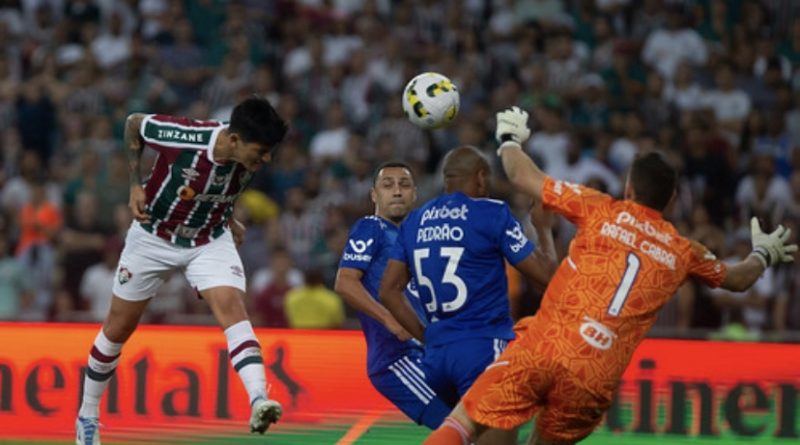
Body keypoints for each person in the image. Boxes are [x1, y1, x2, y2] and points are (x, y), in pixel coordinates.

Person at [423, 107, 798, 445]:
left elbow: (521, 174)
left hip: (547, 346)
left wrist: (509, 138)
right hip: (593, 377)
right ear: (669, 203)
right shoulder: (683, 251)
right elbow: (738, 279)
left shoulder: (600, 208)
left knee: (461, 425)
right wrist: (763, 253)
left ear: (629, 188)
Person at [75, 96, 288, 445]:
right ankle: (87, 416)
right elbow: (133, 123)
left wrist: (227, 213)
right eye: (261, 150)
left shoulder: (247, 157)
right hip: (153, 236)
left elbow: (215, 187)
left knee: (232, 307)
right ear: (234, 140)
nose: (265, 159)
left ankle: (259, 399)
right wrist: (134, 183)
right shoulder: (184, 136)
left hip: (208, 240)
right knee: (117, 329)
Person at [380, 146, 557, 445]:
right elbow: (547, 277)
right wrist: (544, 229)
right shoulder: (491, 213)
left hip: (437, 361)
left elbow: (387, 291)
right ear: (480, 177)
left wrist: (427, 336)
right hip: (484, 350)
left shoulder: (415, 221)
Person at [334, 161, 452, 429]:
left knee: (477, 423)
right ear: (374, 195)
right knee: (457, 429)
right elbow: (345, 282)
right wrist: (389, 319)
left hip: (429, 354)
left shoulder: (417, 239)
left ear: (414, 194)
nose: (397, 191)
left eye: (404, 185)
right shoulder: (371, 227)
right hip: (397, 359)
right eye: (388, 185)